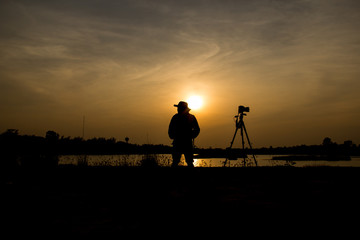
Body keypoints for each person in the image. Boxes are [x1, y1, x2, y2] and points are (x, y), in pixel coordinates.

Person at [168, 101, 200, 167]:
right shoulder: (189, 117)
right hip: (182, 142)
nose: (177, 109)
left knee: (185, 161)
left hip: (183, 142)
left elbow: (197, 129)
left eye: (179, 108)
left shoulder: (176, 117)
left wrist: (191, 135)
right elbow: (197, 129)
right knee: (178, 161)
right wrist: (192, 135)